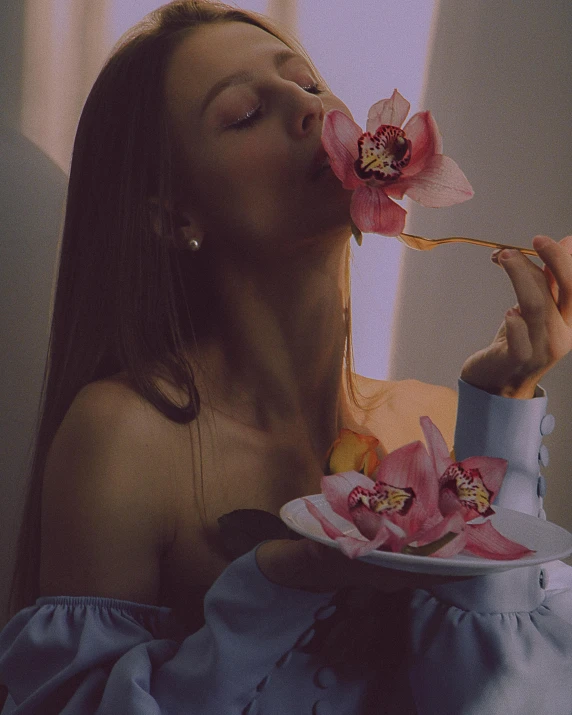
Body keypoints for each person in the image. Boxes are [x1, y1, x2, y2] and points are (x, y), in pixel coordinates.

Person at [1, 1, 572, 713]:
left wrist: (504, 415)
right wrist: (273, 583)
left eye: (306, 82)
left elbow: (516, 696)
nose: (308, 110)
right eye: (243, 114)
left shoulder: (435, 423)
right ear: (173, 215)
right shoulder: (126, 440)